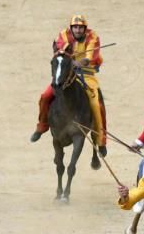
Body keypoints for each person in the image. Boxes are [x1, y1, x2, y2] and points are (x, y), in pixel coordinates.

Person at [30, 15, 107, 154]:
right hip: (66, 73)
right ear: (71, 28)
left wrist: (79, 62)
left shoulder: (93, 37)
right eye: (75, 27)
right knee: (45, 96)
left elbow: (90, 57)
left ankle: (101, 140)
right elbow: (61, 51)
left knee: (96, 104)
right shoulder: (64, 35)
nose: (78, 30)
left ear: (85, 28)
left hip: (86, 73)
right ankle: (42, 125)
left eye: (81, 28)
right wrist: (68, 61)